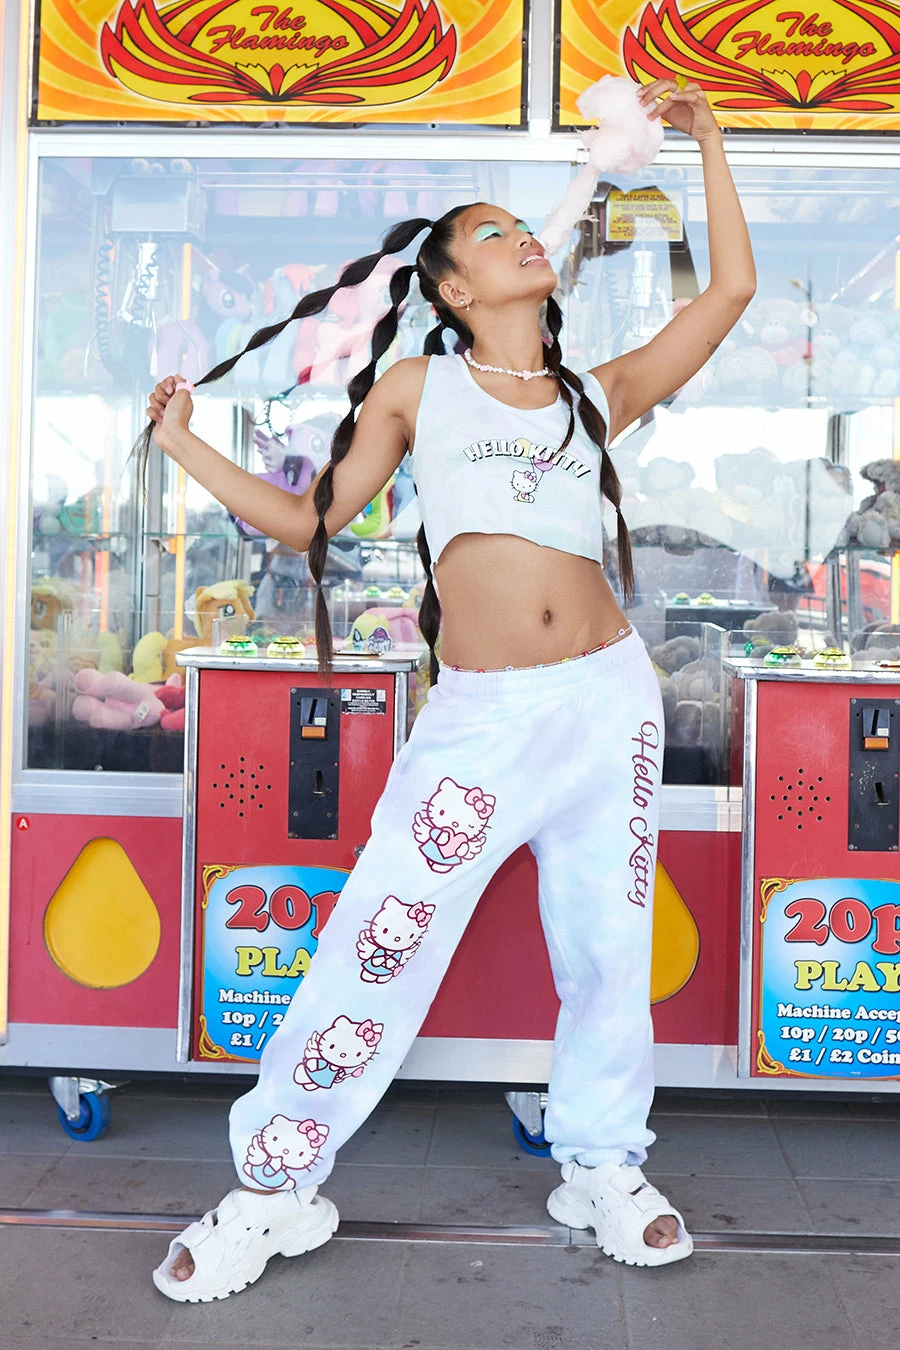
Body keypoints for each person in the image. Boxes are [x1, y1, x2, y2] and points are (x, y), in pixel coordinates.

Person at [145, 77, 755, 1301]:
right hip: (485, 720)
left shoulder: (595, 395)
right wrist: (182, 444)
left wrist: (710, 144)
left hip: (611, 704)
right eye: (490, 233)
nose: (521, 236)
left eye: (523, 227)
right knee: (380, 938)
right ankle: (274, 1186)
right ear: (452, 291)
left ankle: (601, 1165)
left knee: (609, 951)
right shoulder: (418, 390)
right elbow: (311, 522)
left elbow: (730, 293)